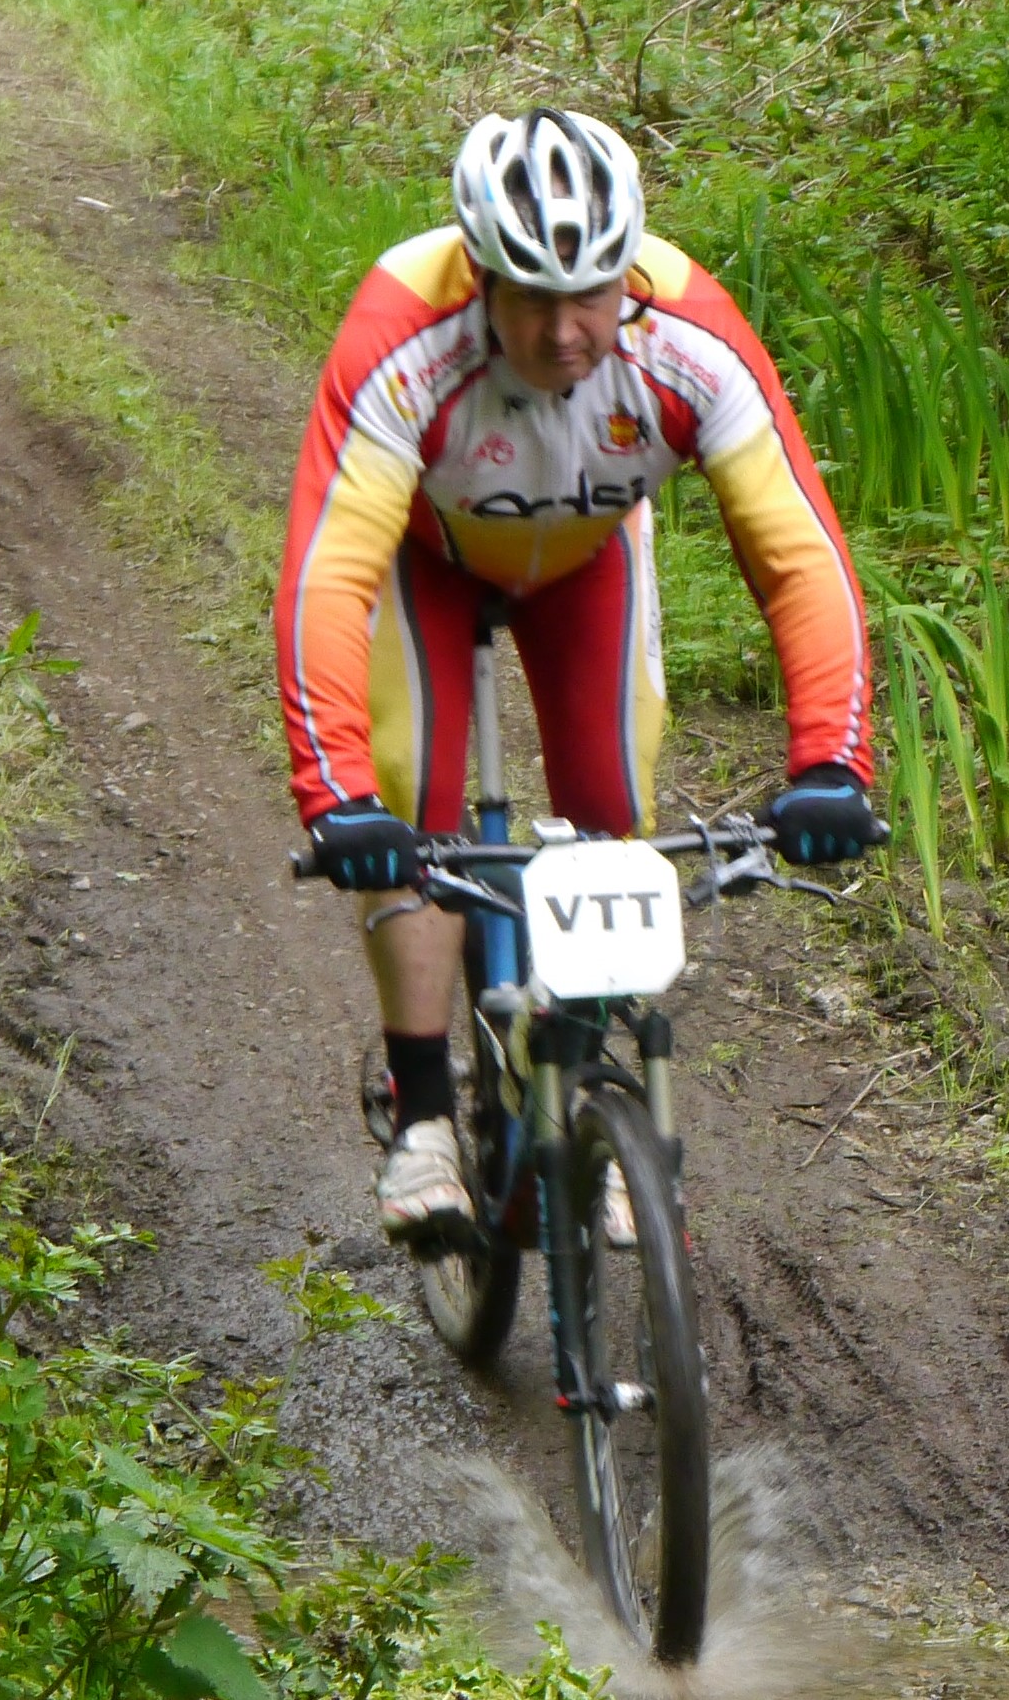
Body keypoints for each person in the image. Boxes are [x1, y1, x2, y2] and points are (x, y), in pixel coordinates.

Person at [274, 108, 883, 1243]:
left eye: (591, 295)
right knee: (413, 807)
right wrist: (338, 798)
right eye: (532, 299)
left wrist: (831, 765)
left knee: (613, 819)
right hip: (425, 557)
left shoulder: (690, 334)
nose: (565, 332)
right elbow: (327, 580)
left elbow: (800, 555)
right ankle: (422, 1115)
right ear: (479, 278)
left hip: (589, 562)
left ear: (629, 272)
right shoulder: (404, 330)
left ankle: (587, 1087)